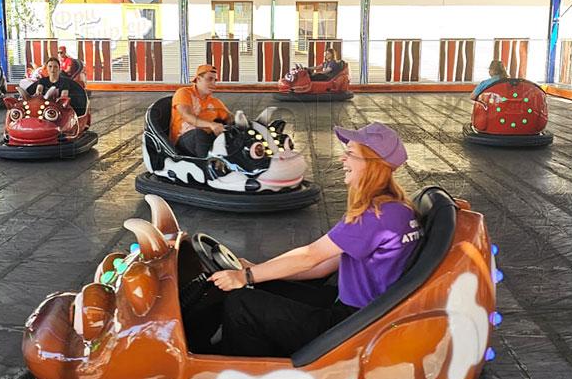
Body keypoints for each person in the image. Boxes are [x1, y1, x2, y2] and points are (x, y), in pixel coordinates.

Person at [204, 122, 422, 357]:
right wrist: (259, 271)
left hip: (352, 323)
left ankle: (245, 376)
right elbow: (323, 265)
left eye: (350, 154)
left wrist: (245, 276)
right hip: (353, 306)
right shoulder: (396, 208)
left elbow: (310, 255)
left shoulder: (374, 216)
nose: (342, 159)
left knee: (241, 304)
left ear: (372, 164)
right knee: (262, 285)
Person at [169, 64, 234, 158]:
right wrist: (211, 124)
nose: (213, 84)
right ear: (198, 79)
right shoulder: (184, 93)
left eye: (215, 80)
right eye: (209, 79)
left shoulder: (215, 102)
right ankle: (207, 167)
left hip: (206, 140)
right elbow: (187, 116)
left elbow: (229, 117)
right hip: (183, 140)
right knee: (199, 134)